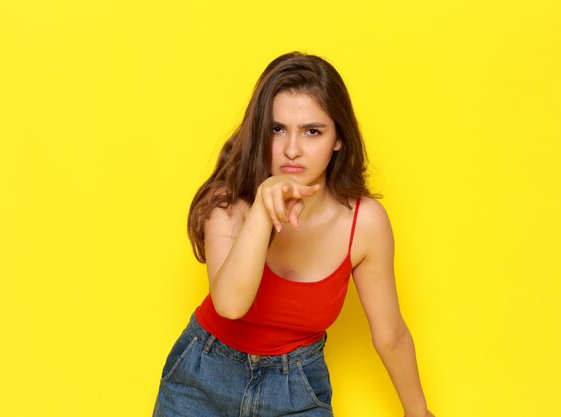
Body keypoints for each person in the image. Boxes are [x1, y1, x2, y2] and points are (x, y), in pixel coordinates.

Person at [152, 51, 434, 417]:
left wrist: (419, 411)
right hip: (203, 376)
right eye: (277, 129)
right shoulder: (227, 204)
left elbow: (390, 333)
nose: (292, 149)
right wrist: (261, 212)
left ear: (338, 139)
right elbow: (231, 305)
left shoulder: (364, 223)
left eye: (312, 131)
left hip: (297, 387)